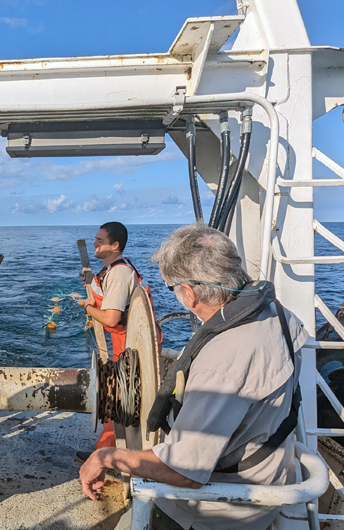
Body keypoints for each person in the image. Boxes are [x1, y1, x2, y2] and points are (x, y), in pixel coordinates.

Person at [79, 223, 305, 530]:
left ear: (188, 293)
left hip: (216, 510)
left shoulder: (221, 361)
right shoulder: (279, 314)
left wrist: (106, 457)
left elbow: (183, 470)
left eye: (173, 289)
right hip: (272, 480)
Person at [78, 221, 153, 460]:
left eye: (100, 241)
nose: (94, 244)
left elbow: (111, 318)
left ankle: (105, 458)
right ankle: (112, 453)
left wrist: (90, 309)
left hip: (130, 346)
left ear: (115, 245)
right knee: (117, 397)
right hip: (129, 342)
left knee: (116, 399)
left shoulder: (119, 274)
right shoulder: (113, 270)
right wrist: (93, 288)